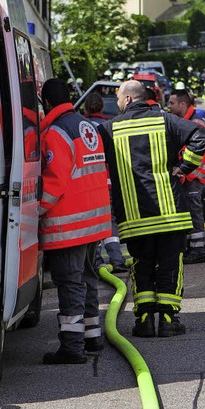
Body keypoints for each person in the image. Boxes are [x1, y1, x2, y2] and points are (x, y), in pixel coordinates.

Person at [99, 80, 205, 337]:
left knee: (142, 264)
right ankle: (169, 320)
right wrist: (183, 167)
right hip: (171, 213)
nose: (117, 103)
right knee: (171, 264)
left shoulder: (108, 128)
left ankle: (145, 320)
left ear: (127, 99)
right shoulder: (166, 120)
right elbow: (200, 135)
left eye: (118, 98)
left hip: (134, 217)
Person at [39, 79, 112, 364]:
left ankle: (72, 347)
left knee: (70, 284)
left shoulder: (56, 132)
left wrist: (35, 210)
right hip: (94, 221)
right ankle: (92, 338)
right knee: (87, 279)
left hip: (69, 224)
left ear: (46, 104)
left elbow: (54, 183)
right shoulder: (86, 125)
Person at [84, 92, 128, 273]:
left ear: (86, 108)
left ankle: (96, 261)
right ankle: (117, 260)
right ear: (102, 107)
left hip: (90, 183)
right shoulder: (110, 126)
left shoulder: (82, 127)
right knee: (111, 221)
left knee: (94, 221)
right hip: (110, 182)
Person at [167, 89, 205, 264]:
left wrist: (183, 171)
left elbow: (198, 153)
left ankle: (198, 250)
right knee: (187, 213)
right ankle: (189, 248)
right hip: (188, 176)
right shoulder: (187, 121)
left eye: (172, 103)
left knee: (194, 213)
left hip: (193, 177)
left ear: (182, 104)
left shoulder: (196, 124)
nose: (169, 106)